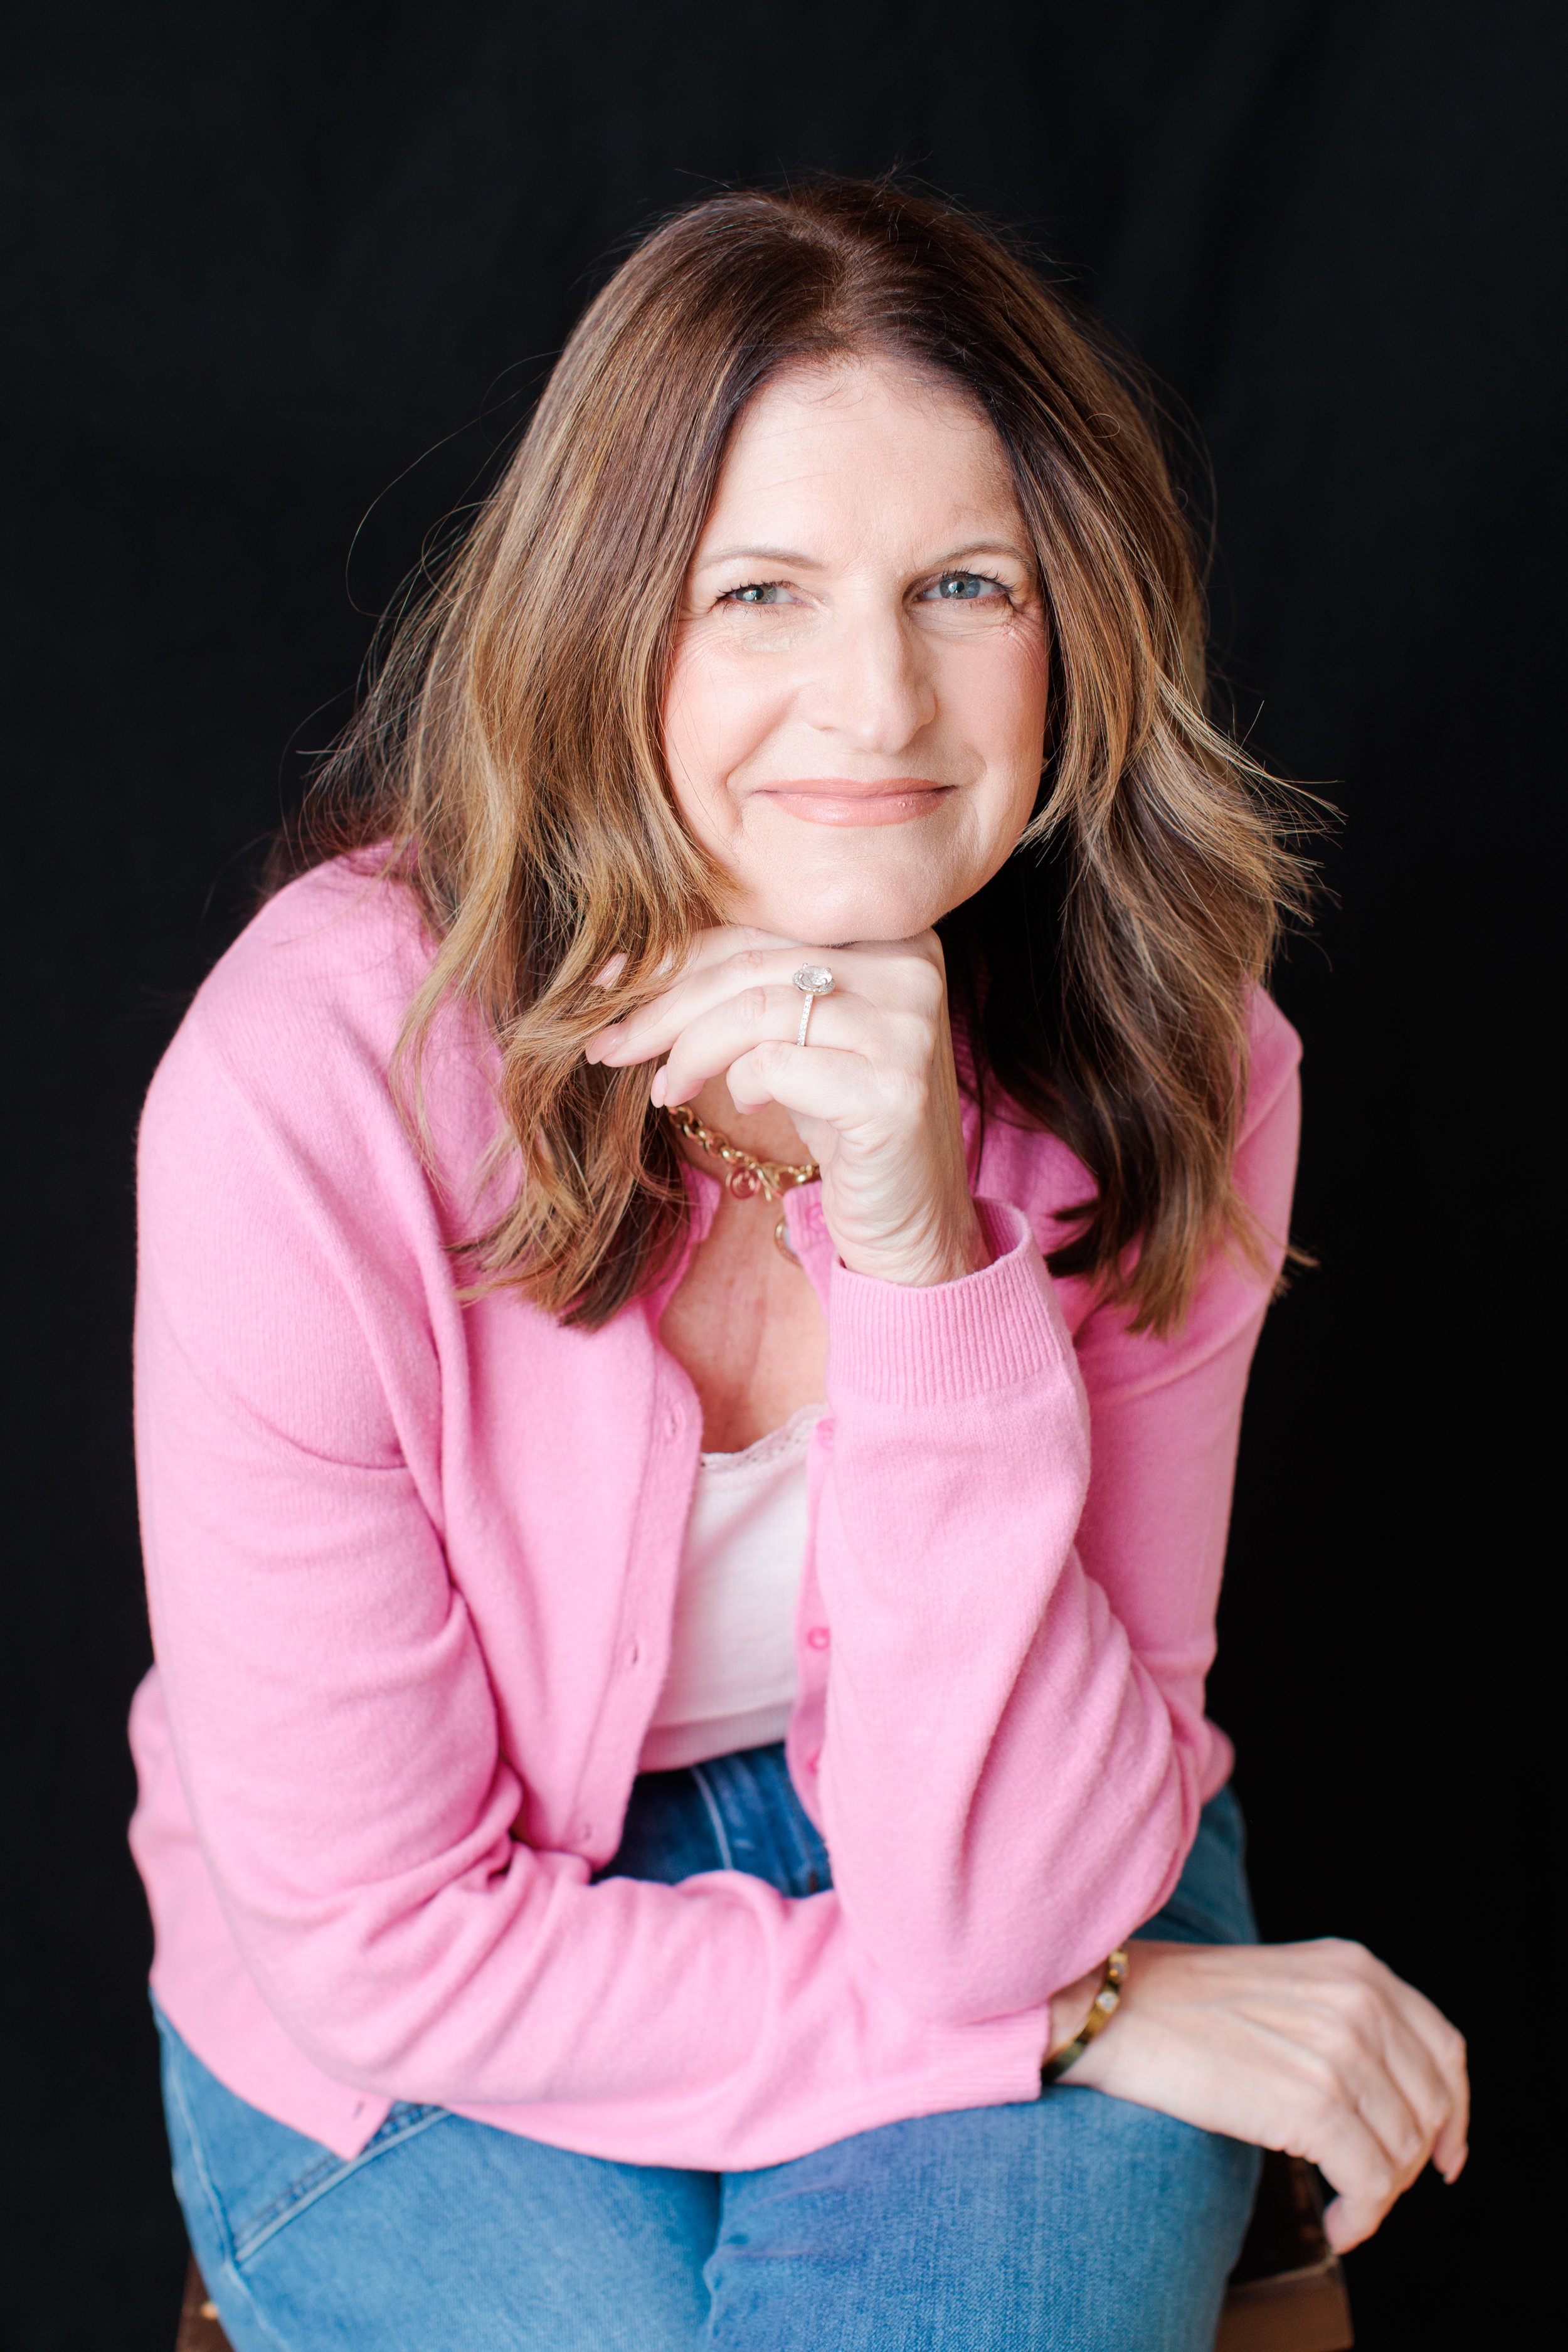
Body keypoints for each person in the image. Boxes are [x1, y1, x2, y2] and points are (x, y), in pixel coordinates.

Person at [129, 181, 1468, 2352]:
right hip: (445, 1945)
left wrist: (919, 1239)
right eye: (757, 590)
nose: (878, 701)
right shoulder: (312, 1088)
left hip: (1008, 1838)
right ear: (603, 625)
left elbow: (1011, 1893)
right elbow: (380, 1937)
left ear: (1077, 634)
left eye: (966, 586)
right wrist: (1080, 2024)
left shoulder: (1181, 1058)